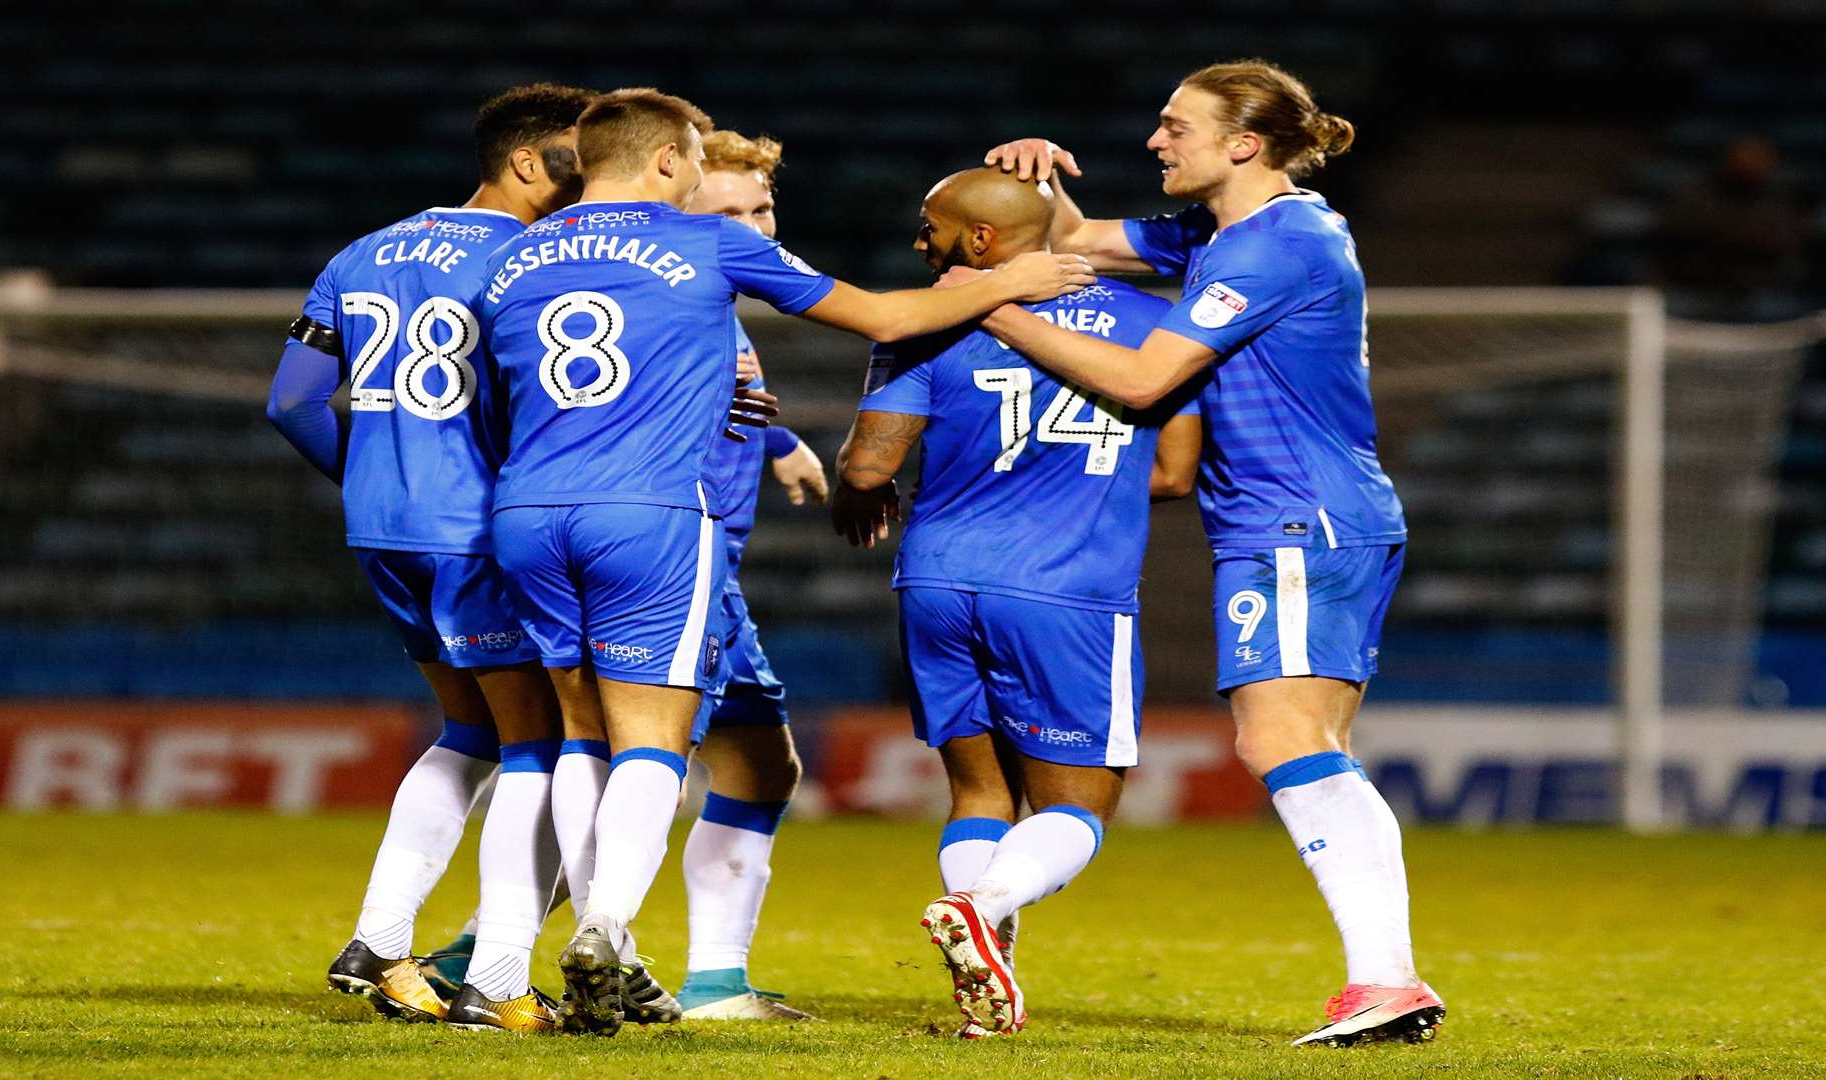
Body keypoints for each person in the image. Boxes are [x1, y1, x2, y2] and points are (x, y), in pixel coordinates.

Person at [477, 87, 1095, 1038]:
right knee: (648, 739)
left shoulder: (513, 257)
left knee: (578, 735)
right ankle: (607, 930)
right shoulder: (706, 245)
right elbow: (885, 318)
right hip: (646, 514)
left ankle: (536, 952)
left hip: (523, 509)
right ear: (669, 161)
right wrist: (1013, 281)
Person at [977, 59, 1445, 1047]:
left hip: (1295, 517)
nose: (1156, 142)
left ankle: (1388, 979)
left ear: (1244, 143)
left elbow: (1146, 381)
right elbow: (1074, 239)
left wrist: (996, 312)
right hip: (1322, 516)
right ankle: (1385, 981)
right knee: (1308, 744)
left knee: (1283, 744)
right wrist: (1040, 185)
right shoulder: (1228, 231)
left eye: (1174, 125)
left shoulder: (1272, 249)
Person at [832, 167, 1202, 1036]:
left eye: (932, 229)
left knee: (978, 794)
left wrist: (873, 482)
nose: (920, 243)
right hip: (1067, 588)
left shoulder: (929, 326)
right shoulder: (1158, 321)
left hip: (938, 579)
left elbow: (867, 469)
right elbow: (1175, 472)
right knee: (1079, 806)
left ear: (983, 242)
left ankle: (984, 975)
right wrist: (1073, 487)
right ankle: (985, 906)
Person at [265, 83, 594, 1031]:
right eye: (577, 157)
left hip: (381, 530)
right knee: (541, 742)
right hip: (480, 533)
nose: (590, 177)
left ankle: (377, 940)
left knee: (470, 733)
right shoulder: (536, 261)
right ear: (527, 162)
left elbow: (290, 402)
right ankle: (496, 981)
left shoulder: (362, 252)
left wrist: (373, 480)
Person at [677, 130, 826, 1021]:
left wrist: (782, 441)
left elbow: (729, 399)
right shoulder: (673, 301)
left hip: (715, 574)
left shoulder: (718, 305)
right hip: (672, 568)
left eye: (761, 209)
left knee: (763, 766)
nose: (751, 228)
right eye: (726, 212)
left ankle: (716, 982)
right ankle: (484, 951)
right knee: (633, 774)